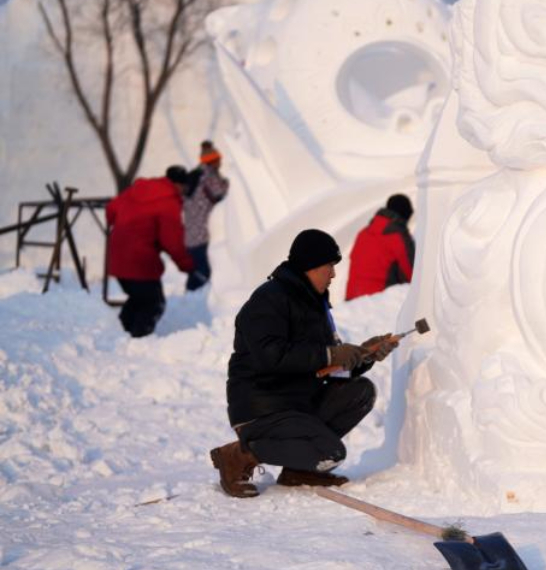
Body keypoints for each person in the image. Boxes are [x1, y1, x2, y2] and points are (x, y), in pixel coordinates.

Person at [210, 229, 400, 498]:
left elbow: (324, 362)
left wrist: (364, 355)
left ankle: (297, 469)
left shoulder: (313, 302)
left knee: (361, 392)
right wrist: (330, 355)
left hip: (297, 402)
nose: (333, 274)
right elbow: (271, 355)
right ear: (310, 266)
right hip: (263, 407)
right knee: (331, 453)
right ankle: (238, 454)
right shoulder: (269, 299)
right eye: (329, 266)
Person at [105, 166, 194, 337]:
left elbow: (111, 210)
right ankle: (138, 339)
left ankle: (123, 333)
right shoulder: (168, 202)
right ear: (178, 184)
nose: (184, 192)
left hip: (117, 258)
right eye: (184, 187)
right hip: (140, 263)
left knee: (140, 297)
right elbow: (173, 241)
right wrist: (186, 264)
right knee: (154, 303)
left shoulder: (138, 189)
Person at [344, 194, 416, 301]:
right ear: (404, 216)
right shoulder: (399, 238)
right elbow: (412, 277)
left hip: (352, 303)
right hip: (378, 305)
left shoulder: (363, 233)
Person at [182, 141, 230, 291]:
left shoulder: (193, 175)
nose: (221, 163)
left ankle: (187, 303)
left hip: (190, 236)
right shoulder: (209, 176)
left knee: (196, 276)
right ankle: (194, 307)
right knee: (204, 276)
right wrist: (228, 181)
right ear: (213, 161)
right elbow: (224, 191)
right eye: (218, 160)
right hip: (203, 236)